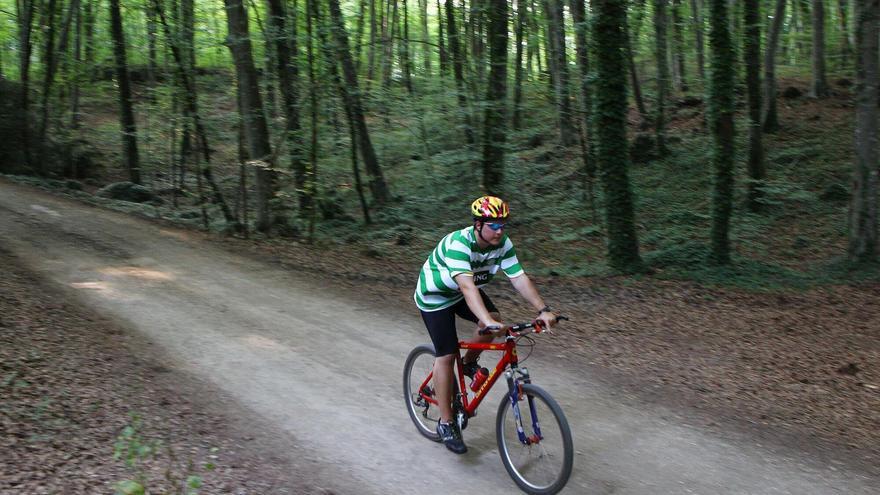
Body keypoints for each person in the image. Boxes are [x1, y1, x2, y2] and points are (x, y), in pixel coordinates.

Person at [413, 195, 558, 454]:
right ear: (478, 224)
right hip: (436, 296)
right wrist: (486, 321)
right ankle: (446, 423)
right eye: (493, 225)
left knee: (495, 320)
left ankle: (468, 363)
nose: (500, 230)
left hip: (462, 292)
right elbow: (468, 287)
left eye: (503, 225)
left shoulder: (502, 243)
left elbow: (519, 278)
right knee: (446, 354)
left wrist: (543, 309)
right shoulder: (459, 243)